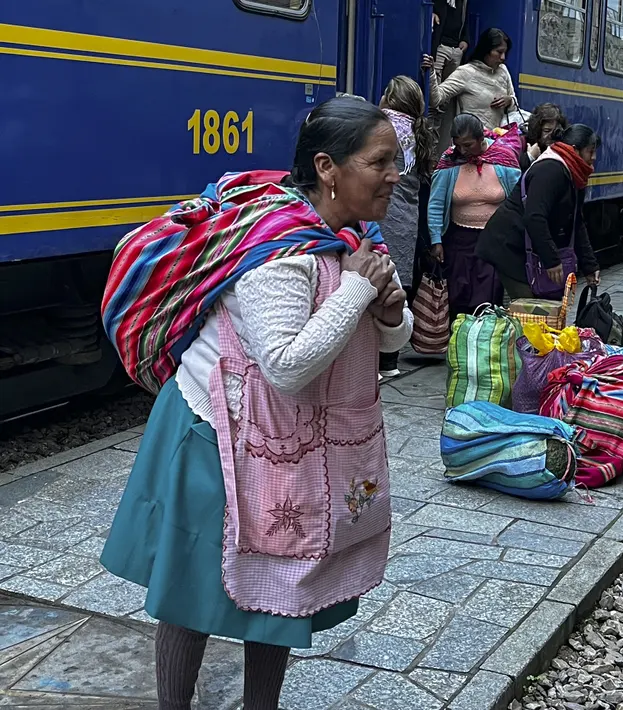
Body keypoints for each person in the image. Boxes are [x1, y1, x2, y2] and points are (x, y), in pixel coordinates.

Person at [98, 97, 412, 709]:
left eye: (397, 160)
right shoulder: (282, 254)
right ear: (328, 168)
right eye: (381, 162)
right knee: (191, 593)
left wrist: (389, 309)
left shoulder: (351, 240)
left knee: (283, 589)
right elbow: (288, 366)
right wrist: (355, 289)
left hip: (280, 436)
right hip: (214, 432)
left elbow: (380, 338)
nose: (396, 175)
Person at [479, 124, 602, 299]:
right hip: (509, 247)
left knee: (545, 309)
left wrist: (590, 265)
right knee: (532, 310)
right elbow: (535, 217)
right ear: (575, 150)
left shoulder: (575, 172)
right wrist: (551, 261)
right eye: (591, 151)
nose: (594, 158)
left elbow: (576, 221)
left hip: (527, 246)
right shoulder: (550, 170)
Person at [428, 113, 521, 318]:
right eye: (458, 145)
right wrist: (436, 240)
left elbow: (518, 201)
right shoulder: (450, 162)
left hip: (494, 242)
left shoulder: (503, 159)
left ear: (481, 139)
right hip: (459, 241)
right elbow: (435, 203)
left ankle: (484, 342)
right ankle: (460, 341)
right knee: (458, 297)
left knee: (487, 299)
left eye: (468, 145)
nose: (462, 151)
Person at [377, 75, 434, 377]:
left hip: (381, 214)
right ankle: (390, 360)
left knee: (374, 282)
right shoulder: (417, 132)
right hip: (406, 219)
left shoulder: (381, 127)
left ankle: (373, 359)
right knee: (398, 283)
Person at [421, 28, 519, 132]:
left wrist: (510, 101)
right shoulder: (465, 72)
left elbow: (514, 109)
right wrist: (431, 72)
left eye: (505, 52)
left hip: (499, 141)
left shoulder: (503, 70)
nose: (503, 57)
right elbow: (436, 99)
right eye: (499, 52)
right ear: (486, 50)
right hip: (473, 141)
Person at [520, 102, 568, 170]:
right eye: (546, 131)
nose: (551, 135)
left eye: (556, 131)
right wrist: (529, 157)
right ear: (537, 130)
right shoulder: (522, 143)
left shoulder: (562, 149)